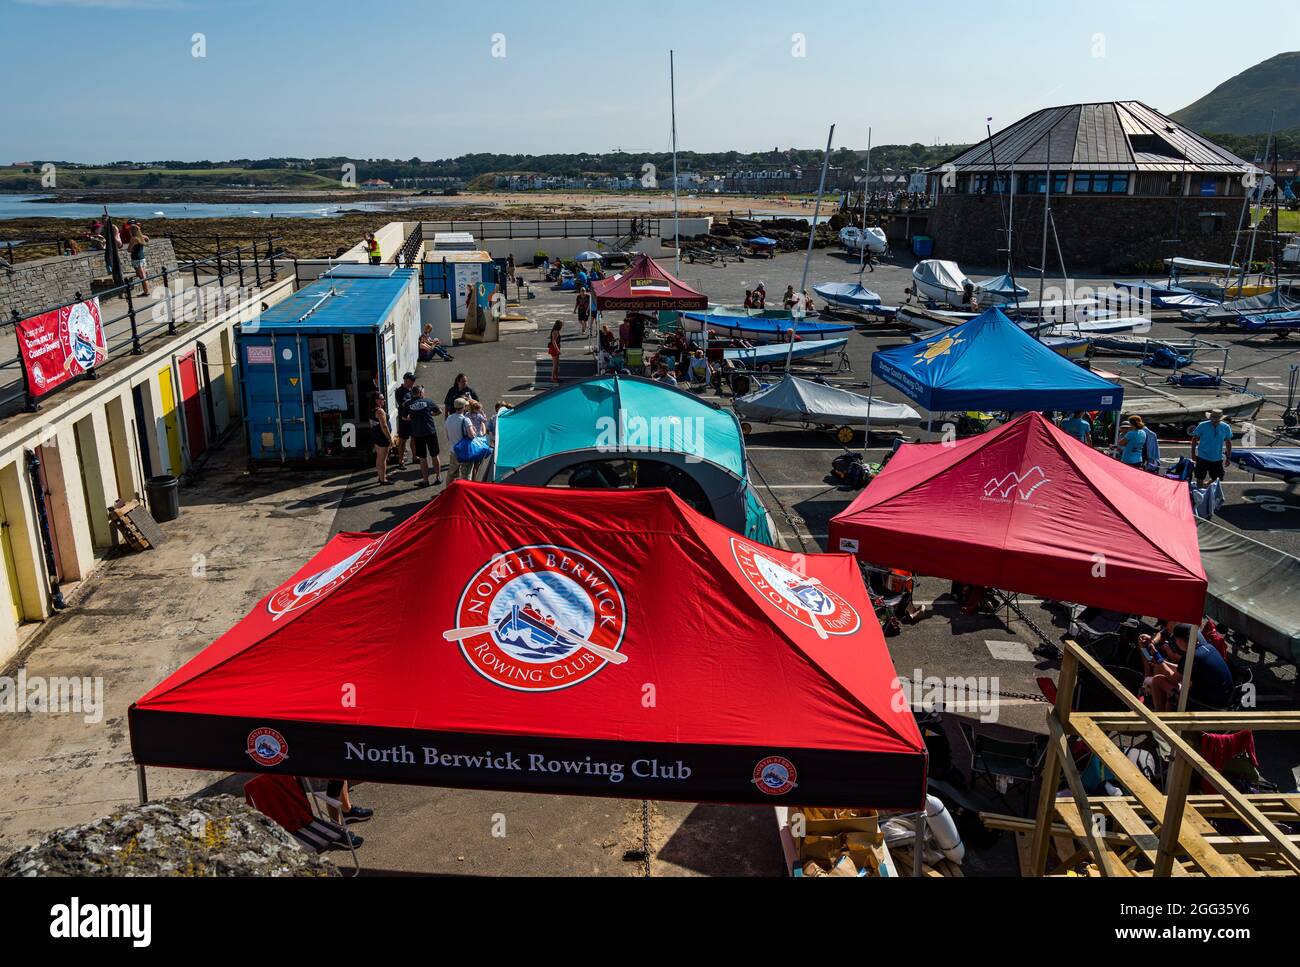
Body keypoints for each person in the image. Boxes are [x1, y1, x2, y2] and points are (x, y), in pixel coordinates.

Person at [1145, 623, 1234, 712]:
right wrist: (1163, 662)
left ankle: (1158, 717)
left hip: (1208, 705)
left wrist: (1157, 657)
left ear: (1181, 641)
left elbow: (1174, 678)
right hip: (1225, 700)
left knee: (1158, 681)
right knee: (1169, 685)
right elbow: (1183, 669)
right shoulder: (1208, 647)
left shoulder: (1192, 657)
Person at [404, 385, 443, 487]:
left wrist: (413, 418)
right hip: (430, 432)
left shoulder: (408, 404)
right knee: (435, 455)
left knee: (422, 458)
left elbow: (404, 418)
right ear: (420, 393)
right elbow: (439, 411)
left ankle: (425, 480)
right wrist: (430, 414)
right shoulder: (427, 401)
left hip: (418, 434)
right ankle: (438, 477)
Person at [1190, 408, 1233, 488]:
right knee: (1199, 477)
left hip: (1217, 458)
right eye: (1213, 419)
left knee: (1217, 477)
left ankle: (1206, 485)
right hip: (1202, 456)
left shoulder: (1226, 427)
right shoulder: (1202, 425)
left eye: (1216, 420)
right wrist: (1193, 454)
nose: (1214, 421)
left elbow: (1228, 442)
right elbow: (1194, 439)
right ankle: (1200, 495)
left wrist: (1228, 457)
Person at [392, 372, 416, 468]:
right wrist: (415, 401)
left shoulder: (411, 390)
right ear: (405, 380)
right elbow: (403, 404)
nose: (413, 382)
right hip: (404, 420)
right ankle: (400, 461)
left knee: (414, 438)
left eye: (414, 380)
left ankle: (415, 457)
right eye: (412, 380)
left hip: (413, 419)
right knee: (402, 440)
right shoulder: (399, 391)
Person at [370, 392, 394, 485]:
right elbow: (384, 426)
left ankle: (381, 476)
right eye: (381, 398)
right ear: (376, 401)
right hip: (382, 437)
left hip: (376, 436)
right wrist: (389, 438)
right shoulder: (380, 411)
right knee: (383, 459)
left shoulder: (372, 410)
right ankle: (383, 479)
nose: (383, 400)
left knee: (379, 458)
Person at [128, 222, 150, 295]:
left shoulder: (134, 239)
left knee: (142, 277)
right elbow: (147, 239)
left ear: (132, 231)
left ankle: (146, 292)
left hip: (136, 259)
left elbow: (129, 249)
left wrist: (132, 249)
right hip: (142, 258)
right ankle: (146, 291)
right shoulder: (142, 237)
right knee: (143, 275)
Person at [547, 320, 563, 384]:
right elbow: (554, 341)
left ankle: (556, 377)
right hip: (554, 349)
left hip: (556, 348)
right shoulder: (555, 331)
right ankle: (553, 378)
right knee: (555, 364)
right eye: (561, 325)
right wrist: (557, 350)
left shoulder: (557, 331)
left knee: (557, 364)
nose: (562, 326)